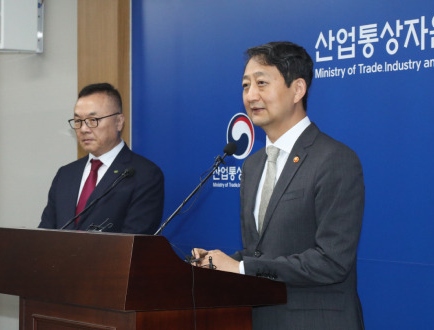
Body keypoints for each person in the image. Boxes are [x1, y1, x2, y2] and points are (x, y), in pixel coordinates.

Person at [192, 42, 365, 329]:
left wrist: (242, 268)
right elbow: (261, 252)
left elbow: (332, 261)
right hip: (261, 319)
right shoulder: (253, 164)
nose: (250, 95)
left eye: (261, 83)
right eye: (246, 85)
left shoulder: (335, 159)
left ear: (297, 89)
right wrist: (216, 263)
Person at [39, 83, 165, 234]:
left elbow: (135, 241)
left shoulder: (145, 174)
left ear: (119, 122)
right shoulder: (65, 174)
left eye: (93, 120)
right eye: (78, 121)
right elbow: (45, 233)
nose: (84, 129)